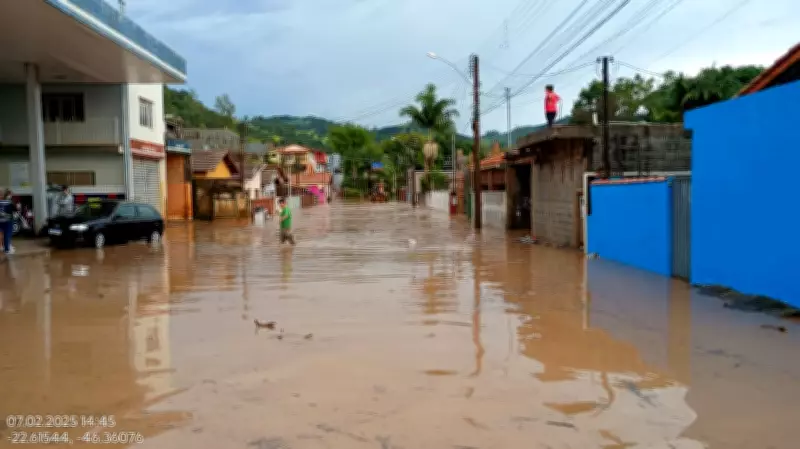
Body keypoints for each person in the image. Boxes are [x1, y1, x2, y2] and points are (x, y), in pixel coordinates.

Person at [0, 190, 15, 254]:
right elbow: (13, 210)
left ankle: (5, 246)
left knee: (3, 234)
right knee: (7, 234)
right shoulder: (8, 202)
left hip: (1, 220)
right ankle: (7, 249)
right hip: (7, 220)